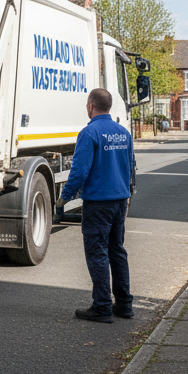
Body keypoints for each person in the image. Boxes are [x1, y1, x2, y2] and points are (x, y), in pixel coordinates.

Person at [60, 88, 136, 324]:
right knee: (117, 251)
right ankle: (124, 305)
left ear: (90, 106)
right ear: (110, 106)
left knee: (97, 253)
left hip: (98, 203)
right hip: (119, 201)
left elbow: (79, 171)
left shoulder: (89, 132)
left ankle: (102, 306)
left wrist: (64, 198)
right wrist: (127, 193)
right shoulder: (123, 132)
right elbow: (131, 167)